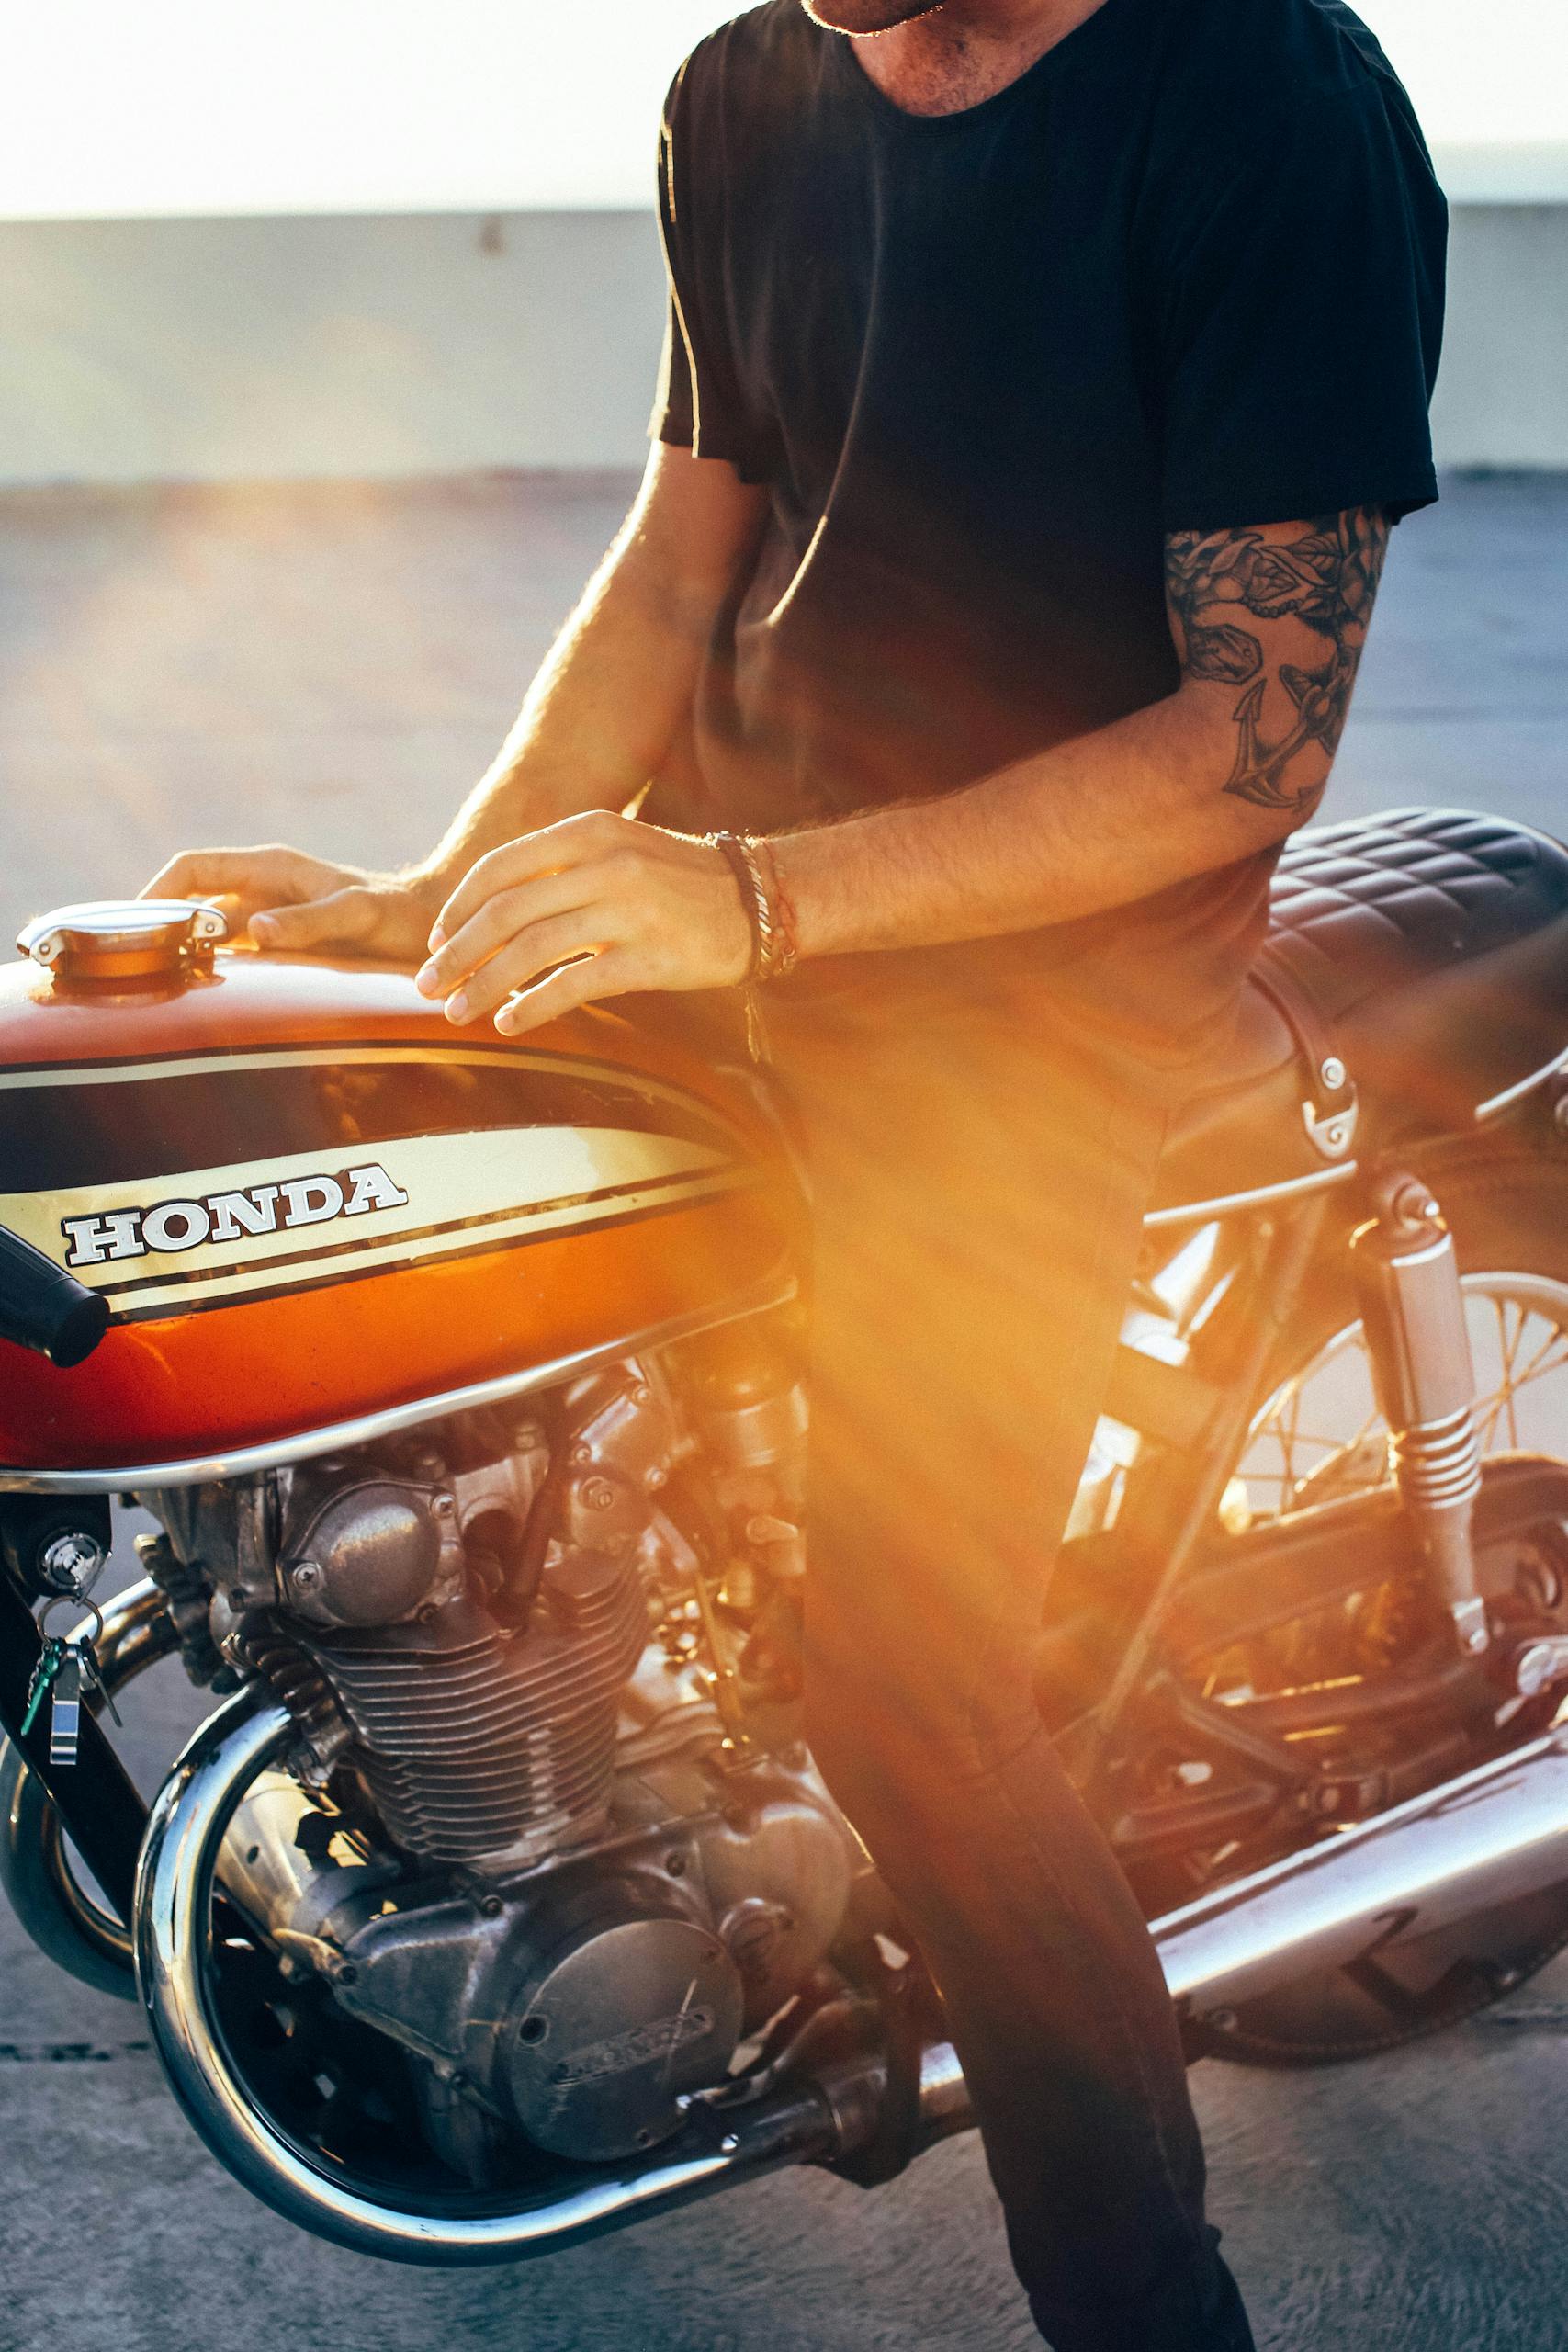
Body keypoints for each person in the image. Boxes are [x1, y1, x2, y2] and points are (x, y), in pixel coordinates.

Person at [144, 0, 1447, 2340]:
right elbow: (676, 567)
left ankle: (1150, 2305)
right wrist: (452, 893)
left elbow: (1247, 739)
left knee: (909, 1689)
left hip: (1042, 993)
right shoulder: (743, 93)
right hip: (732, 918)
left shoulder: (1263, 102)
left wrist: (751, 900)